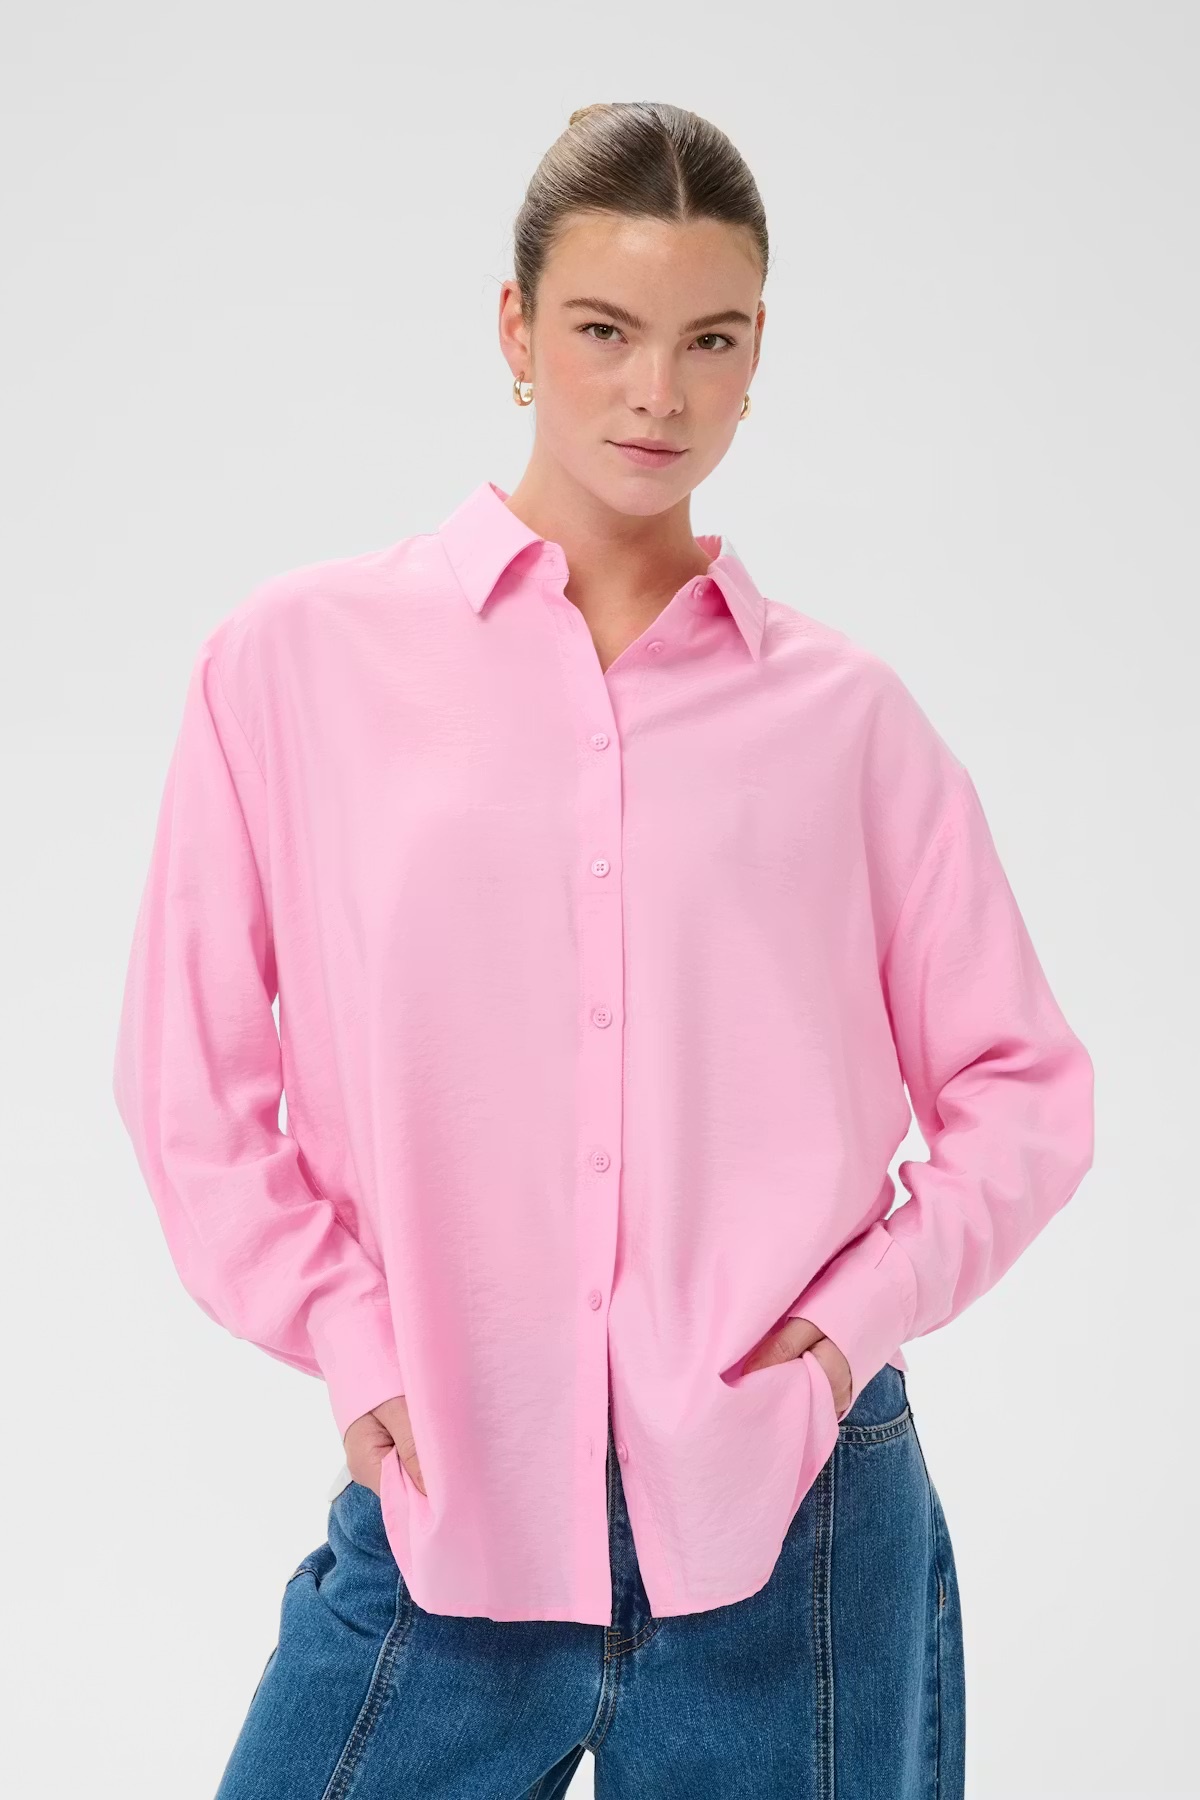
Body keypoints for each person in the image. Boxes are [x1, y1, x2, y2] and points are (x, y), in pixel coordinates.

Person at [112, 100, 1094, 1797]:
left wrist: (847, 1332)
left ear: (758, 353)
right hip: (449, 1501)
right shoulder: (294, 665)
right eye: (604, 330)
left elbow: (1026, 1087)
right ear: (514, 330)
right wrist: (349, 1332)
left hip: (792, 1517)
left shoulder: (845, 719)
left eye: (710, 339)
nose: (658, 393)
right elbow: (186, 1080)